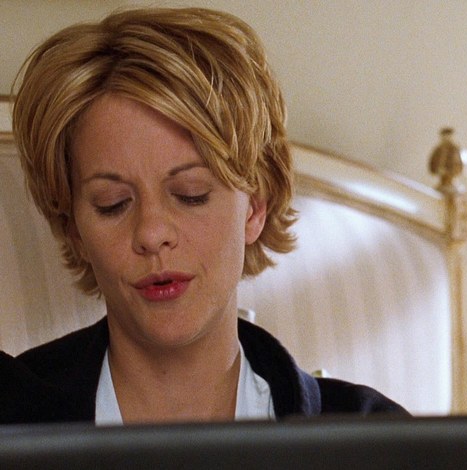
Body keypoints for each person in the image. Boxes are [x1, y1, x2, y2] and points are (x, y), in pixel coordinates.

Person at [10, 7, 405, 424]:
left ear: (255, 206)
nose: (151, 233)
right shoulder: (10, 412)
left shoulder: (371, 434)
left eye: (190, 194)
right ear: (73, 230)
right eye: (113, 203)